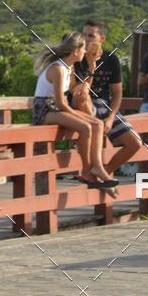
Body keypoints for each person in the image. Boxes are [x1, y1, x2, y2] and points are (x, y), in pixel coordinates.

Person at [33, 33, 117, 192]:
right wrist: (77, 114)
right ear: (75, 50)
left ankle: (97, 166)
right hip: (44, 109)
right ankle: (86, 170)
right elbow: (60, 102)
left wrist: (91, 70)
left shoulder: (68, 67)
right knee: (86, 127)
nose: (85, 52)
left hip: (56, 107)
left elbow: (76, 92)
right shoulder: (58, 68)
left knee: (98, 124)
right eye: (83, 48)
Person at [71, 20, 141, 176]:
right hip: (80, 103)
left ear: (101, 38)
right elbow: (78, 91)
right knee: (84, 97)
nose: (86, 39)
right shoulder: (76, 58)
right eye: (84, 35)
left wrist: (110, 118)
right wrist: (90, 65)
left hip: (104, 105)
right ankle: (89, 168)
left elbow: (117, 92)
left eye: (90, 35)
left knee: (135, 143)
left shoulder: (112, 59)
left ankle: (104, 172)